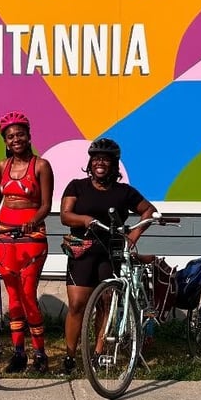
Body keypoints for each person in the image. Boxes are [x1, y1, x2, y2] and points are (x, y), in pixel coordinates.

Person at [59, 138, 158, 377]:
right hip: (83, 251)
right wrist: (84, 220)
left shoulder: (124, 192)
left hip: (110, 253)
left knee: (105, 304)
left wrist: (133, 235)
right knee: (77, 305)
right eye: (96, 159)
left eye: (106, 159)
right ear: (90, 163)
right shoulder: (77, 186)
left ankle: (98, 353)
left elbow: (149, 210)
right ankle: (70, 356)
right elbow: (65, 215)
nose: (100, 162)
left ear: (115, 165)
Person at [0, 111, 55, 374]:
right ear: (5, 141)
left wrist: (34, 219)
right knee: (12, 298)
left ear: (29, 136)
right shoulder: (2, 166)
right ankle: (18, 352)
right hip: (4, 236)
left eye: (20, 134)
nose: (16, 139)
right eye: (10, 136)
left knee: (28, 296)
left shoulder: (41, 166)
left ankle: (40, 353)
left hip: (31, 239)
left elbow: (46, 204)